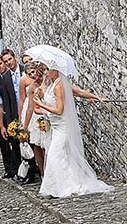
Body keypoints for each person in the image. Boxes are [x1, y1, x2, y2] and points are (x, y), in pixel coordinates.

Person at [33, 68, 113, 197]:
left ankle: (60, 187)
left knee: (55, 154)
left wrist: (41, 105)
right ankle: (62, 184)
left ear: (56, 71)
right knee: (61, 155)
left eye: (48, 70)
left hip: (62, 127)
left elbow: (59, 110)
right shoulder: (51, 84)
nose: (46, 72)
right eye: (45, 70)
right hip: (55, 126)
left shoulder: (59, 86)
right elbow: (78, 92)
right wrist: (40, 97)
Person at [0, 48, 38, 184]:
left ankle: (36, 171)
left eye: (10, 59)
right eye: (5, 61)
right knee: (23, 144)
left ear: (14, 58)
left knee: (35, 143)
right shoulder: (5, 78)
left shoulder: (26, 70)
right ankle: (29, 174)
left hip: (32, 110)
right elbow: (7, 102)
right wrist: (9, 123)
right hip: (16, 114)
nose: (9, 62)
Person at [23, 61, 50, 177]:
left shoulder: (48, 82)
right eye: (29, 74)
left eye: (33, 72)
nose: (33, 75)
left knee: (46, 145)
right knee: (37, 145)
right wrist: (25, 126)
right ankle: (43, 174)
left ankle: (50, 172)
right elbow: (30, 107)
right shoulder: (32, 87)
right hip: (36, 117)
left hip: (48, 114)